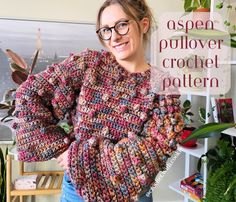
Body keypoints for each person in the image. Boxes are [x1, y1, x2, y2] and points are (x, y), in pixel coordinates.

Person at [14, 0, 184, 201]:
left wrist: (79, 157)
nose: (114, 37)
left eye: (122, 25)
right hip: (77, 192)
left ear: (144, 24)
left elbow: (155, 150)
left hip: (132, 194)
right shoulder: (89, 65)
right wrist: (62, 147)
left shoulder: (163, 84)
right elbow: (30, 94)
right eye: (106, 30)